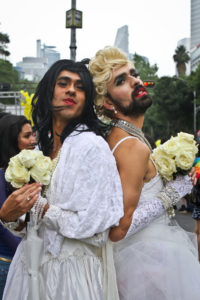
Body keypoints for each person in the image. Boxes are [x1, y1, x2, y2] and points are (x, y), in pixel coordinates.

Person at [2, 59, 123, 300]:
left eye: (80, 87)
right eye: (63, 83)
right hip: (28, 271)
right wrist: (10, 215)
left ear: (86, 99)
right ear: (49, 92)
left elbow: (97, 230)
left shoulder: (92, 147)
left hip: (71, 277)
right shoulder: (37, 152)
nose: (71, 90)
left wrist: (41, 207)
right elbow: (28, 227)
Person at [89, 46, 200, 300]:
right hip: (144, 266)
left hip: (143, 262)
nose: (136, 81)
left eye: (133, 74)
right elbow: (118, 230)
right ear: (107, 102)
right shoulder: (131, 147)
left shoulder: (122, 139)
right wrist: (173, 193)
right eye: (121, 80)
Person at [0, 114, 38, 299]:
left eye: (33, 134)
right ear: (11, 139)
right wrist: (28, 252)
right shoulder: (1, 175)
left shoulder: (30, 171)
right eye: (27, 136)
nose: (33, 140)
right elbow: (2, 224)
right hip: (7, 262)